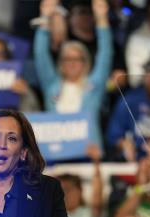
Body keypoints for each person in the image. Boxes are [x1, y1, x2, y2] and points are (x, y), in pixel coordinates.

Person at [33, 0, 112, 149]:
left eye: (77, 59)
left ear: (85, 62)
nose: (72, 63)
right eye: (67, 59)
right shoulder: (52, 85)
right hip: (56, 154)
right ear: (60, 63)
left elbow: (105, 54)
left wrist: (102, 19)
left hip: (88, 154)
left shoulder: (93, 86)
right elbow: (40, 55)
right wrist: (45, 19)